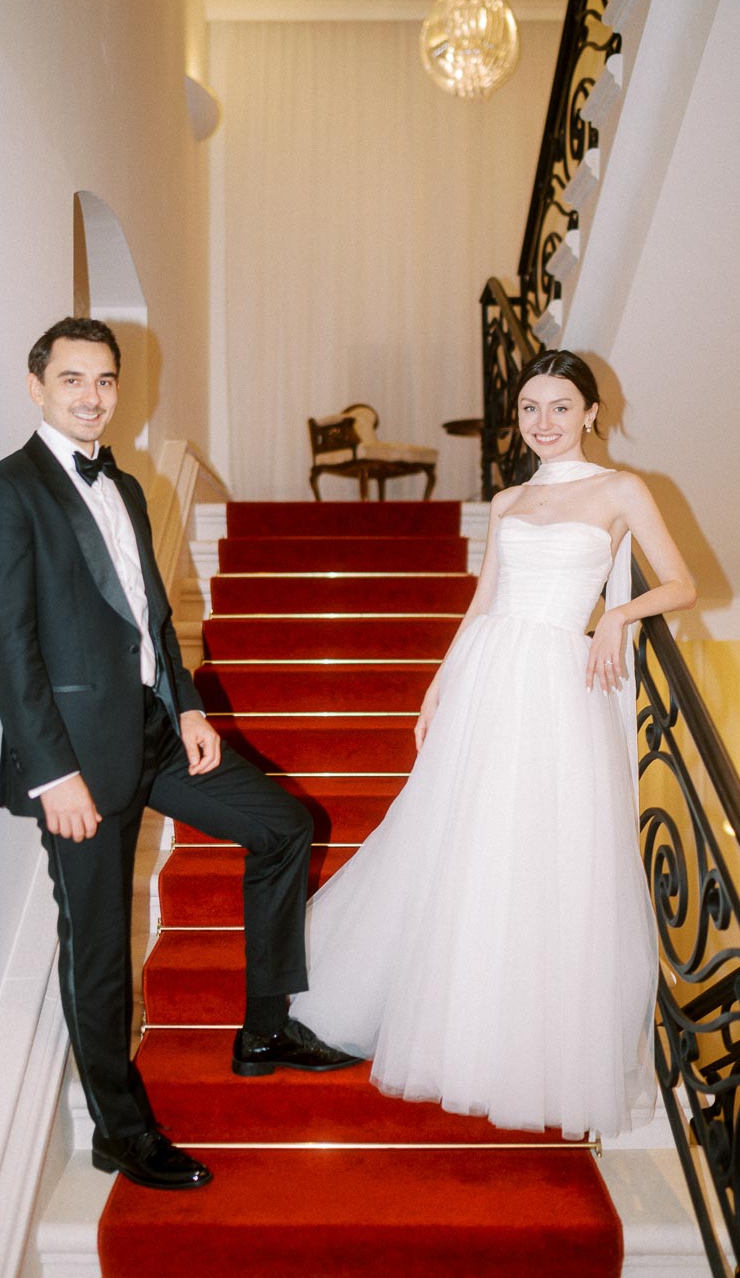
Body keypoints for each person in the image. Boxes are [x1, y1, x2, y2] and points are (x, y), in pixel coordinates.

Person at [0, 317, 358, 1191]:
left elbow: (152, 614)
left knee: (285, 826)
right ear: (36, 387)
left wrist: (186, 707)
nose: (91, 397)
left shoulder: (129, 487)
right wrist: (52, 773)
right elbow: (6, 642)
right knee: (100, 947)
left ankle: (265, 1027)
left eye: (104, 381)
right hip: (76, 760)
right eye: (72, 379)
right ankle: (120, 1129)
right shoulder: (7, 489)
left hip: (154, 731)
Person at [289, 349, 696, 1140]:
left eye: (560, 407)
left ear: (590, 413)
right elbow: (483, 600)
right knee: (457, 838)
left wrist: (617, 615)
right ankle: (427, 1018)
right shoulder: (508, 500)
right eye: (530, 409)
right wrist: (438, 684)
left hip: (559, 684)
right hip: (487, 674)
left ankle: (520, 1046)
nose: (544, 423)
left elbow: (682, 584)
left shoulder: (621, 489)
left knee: (539, 852)